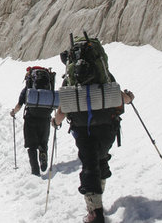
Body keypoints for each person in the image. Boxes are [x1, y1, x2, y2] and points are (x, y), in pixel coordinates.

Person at [52, 87, 134, 223]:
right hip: (107, 129)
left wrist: (55, 122)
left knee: (90, 166)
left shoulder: (72, 82)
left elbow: (62, 110)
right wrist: (130, 98)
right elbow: (122, 97)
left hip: (83, 131)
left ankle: (95, 212)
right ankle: (97, 203)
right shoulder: (103, 76)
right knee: (101, 159)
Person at [10, 67, 53, 176]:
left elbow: (20, 104)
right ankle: (43, 155)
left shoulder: (28, 89)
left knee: (32, 146)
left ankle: (35, 171)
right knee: (43, 143)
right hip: (45, 118)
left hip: (31, 118)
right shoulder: (48, 87)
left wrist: (13, 112)